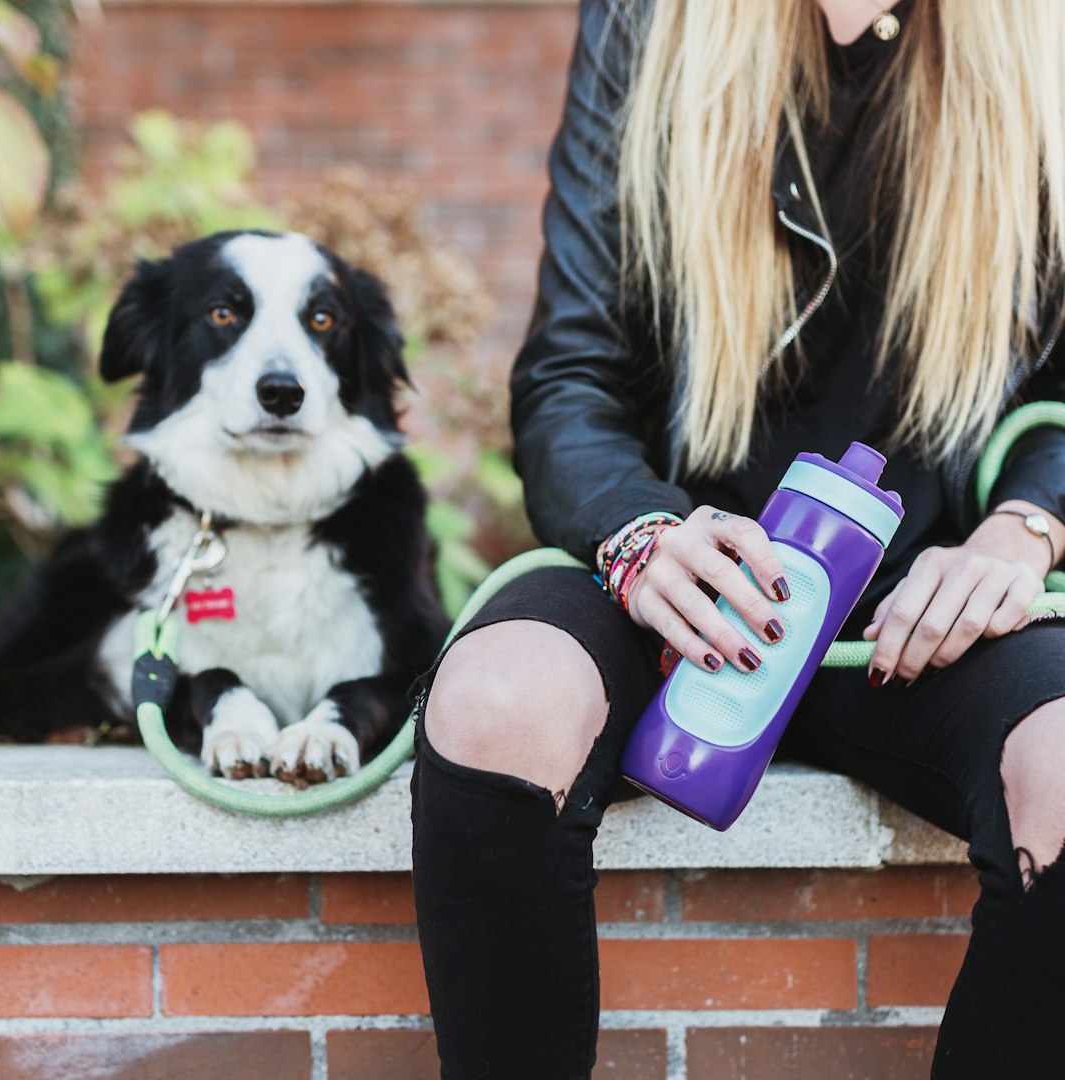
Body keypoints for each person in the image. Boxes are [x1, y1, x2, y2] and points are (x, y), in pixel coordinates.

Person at [410, 0, 1065, 1076]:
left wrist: (1021, 529)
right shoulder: (648, 21)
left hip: (918, 613)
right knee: (498, 697)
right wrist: (639, 533)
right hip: (670, 572)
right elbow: (570, 375)